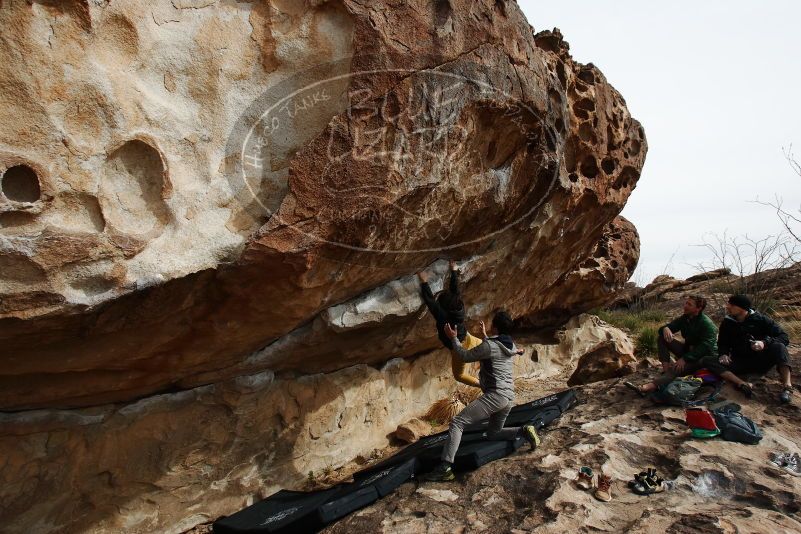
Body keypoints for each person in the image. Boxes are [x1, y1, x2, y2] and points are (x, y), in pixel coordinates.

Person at [424, 311, 539, 482]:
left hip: (495, 396)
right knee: (494, 433)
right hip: (508, 397)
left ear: (496, 327)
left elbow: (464, 355)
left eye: (493, 324)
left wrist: (453, 338)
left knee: (457, 422)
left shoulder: (490, 346)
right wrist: (486, 335)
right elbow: (497, 348)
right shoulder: (511, 345)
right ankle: (523, 430)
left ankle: (445, 468)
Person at [703, 294, 793, 403]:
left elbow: (783, 336)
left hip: (761, 360)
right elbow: (722, 343)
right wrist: (723, 353)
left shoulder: (761, 319)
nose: (728, 307)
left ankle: (787, 387)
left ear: (742, 307)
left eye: (731, 305)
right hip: (740, 362)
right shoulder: (727, 323)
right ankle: (742, 384)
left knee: (779, 347)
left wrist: (764, 343)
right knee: (708, 360)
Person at [625, 295, 718, 396]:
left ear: (698, 309)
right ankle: (665, 371)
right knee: (662, 338)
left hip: (702, 357)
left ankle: (646, 388)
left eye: (689, 304)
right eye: (686, 303)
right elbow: (668, 328)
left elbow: (706, 347)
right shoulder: (685, 318)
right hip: (688, 351)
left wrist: (685, 359)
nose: (685, 306)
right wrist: (665, 328)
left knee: (677, 368)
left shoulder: (707, 324)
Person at [418, 260, 482, 388]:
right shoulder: (459, 306)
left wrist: (424, 281)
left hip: (460, 349)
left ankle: (482, 385)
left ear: (444, 308)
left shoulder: (442, 317)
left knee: (459, 376)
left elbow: (431, 302)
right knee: (491, 348)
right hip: (471, 340)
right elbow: (455, 290)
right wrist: (453, 271)